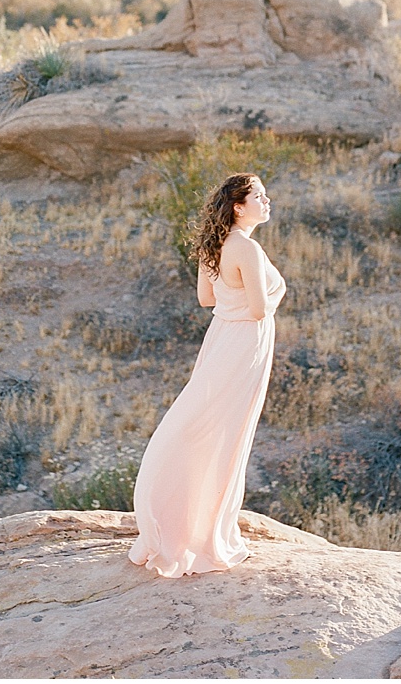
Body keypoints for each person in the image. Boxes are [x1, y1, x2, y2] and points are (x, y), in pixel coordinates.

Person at [127, 171, 285, 577]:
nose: (267, 202)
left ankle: (185, 522)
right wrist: (279, 288)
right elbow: (258, 309)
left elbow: (205, 298)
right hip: (245, 343)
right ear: (239, 206)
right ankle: (206, 533)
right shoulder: (245, 248)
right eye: (260, 196)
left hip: (221, 340)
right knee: (227, 433)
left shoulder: (215, 245)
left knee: (204, 425)